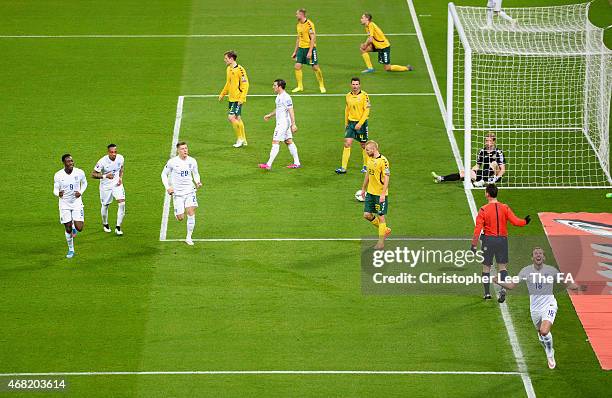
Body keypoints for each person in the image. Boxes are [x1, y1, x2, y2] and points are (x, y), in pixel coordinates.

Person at [493, 247, 586, 369]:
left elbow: (566, 282)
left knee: (544, 331)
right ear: (532, 258)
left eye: (540, 253)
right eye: (536, 253)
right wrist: (498, 281)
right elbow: (511, 285)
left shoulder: (551, 271)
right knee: (541, 333)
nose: (538, 255)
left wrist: (580, 288)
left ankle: (550, 353)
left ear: (544, 257)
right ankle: (547, 345)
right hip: (535, 308)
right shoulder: (525, 271)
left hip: (549, 304)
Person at [471, 184, 530, 301]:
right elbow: (515, 221)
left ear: (487, 194)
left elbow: (478, 228)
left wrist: (473, 244)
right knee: (502, 267)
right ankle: (503, 289)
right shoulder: (505, 208)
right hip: (502, 240)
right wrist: (525, 221)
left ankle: (487, 294)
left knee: (486, 267)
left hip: (488, 240)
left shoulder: (483, 209)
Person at [161, 142, 202, 246]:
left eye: (186, 148)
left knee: (191, 212)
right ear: (178, 150)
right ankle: (178, 212)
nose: (185, 150)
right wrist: (168, 187)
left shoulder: (192, 161)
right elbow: (163, 174)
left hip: (190, 191)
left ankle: (189, 237)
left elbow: (196, 173)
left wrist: (197, 182)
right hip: (178, 194)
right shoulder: (172, 162)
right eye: (183, 149)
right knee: (180, 218)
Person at [432, 132, 505, 187]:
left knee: (494, 163)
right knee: (464, 173)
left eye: (489, 141)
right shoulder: (482, 151)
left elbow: (502, 169)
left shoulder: (499, 152)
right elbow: (477, 166)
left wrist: (497, 178)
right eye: (486, 140)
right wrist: (471, 171)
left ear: (494, 142)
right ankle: (441, 178)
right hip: (484, 174)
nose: (487, 143)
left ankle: (483, 181)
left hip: (494, 176)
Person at [258, 79, 301, 170]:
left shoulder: (286, 97)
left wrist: (293, 124)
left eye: (274, 85)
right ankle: (297, 163)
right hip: (283, 122)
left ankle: (268, 164)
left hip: (283, 123)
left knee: (275, 142)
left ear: (280, 87)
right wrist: (270, 115)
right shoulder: (279, 96)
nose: (273, 87)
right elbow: (278, 109)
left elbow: (291, 110)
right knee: (288, 141)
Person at [53, 154, 88, 258]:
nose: (71, 163)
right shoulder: (58, 175)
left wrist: (80, 192)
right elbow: (55, 189)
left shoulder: (80, 172)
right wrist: (58, 193)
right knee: (67, 228)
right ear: (64, 163)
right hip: (64, 204)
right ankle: (71, 249)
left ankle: (74, 225)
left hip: (77, 203)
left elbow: (85, 183)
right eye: (68, 161)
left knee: (79, 228)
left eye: (72, 161)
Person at [359, 141, 391, 249]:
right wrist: (363, 188)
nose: (366, 152)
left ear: (374, 149)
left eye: (367, 150)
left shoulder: (383, 161)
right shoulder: (369, 159)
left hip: (380, 194)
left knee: (381, 217)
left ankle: (381, 243)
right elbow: (368, 174)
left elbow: (387, 178)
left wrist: (383, 194)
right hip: (371, 193)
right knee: (367, 215)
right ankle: (384, 230)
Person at [335, 78, 370, 174]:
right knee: (347, 143)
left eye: (356, 84)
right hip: (351, 123)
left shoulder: (364, 96)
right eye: (353, 84)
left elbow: (367, 111)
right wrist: (346, 123)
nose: (355, 86)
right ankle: (343, 168)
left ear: (360, 85)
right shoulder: (348, 96)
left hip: (361, 124)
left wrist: (360, 123)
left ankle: (366, 166)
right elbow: (347, 109)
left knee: (363, 145)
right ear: (350, 85)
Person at [91, 144, 125, 235]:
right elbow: (93, 174)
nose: (114, 154)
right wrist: (105, 176)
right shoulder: (102, 161)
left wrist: (120, 178)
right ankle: (105, 224)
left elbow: (121, 168)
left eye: (115, 152)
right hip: (105, 186)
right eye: (112, 152)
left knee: (122, 203)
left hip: (117, 185)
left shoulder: (120, 158)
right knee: (105, 205)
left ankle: (118, 227)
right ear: (108, 152)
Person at [218, 50, 249, 148]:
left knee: (231, 117)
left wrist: (242, 98)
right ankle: (244, 139)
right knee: (238, 118)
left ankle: (239, 139)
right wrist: (223, 93)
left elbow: (246, 85)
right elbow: (228, 83)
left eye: (226, 58)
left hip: (237, 99)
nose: (224, 60)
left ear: (231, 59)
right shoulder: (228, 69)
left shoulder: (240, 70)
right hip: (231, 98)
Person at [291, 8, 326, 93]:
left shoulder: (309, 24)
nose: (296, 15)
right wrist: (295, 51)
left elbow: (313, 38)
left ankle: (321, 85)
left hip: (309, 48)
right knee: (297, 66)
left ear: (302, 15)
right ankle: (300, 86)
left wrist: (310, 51)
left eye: (297, 14)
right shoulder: (298, 24)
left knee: (315, 67)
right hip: (301, 48)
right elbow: (298, 38)